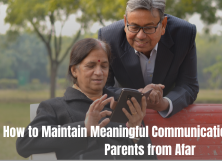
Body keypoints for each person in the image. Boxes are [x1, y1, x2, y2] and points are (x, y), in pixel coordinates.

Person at [16, 38, 156, 160]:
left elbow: (150, 158)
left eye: (104, 66)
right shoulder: (55, 107)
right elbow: (24, 143)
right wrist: (84, 129)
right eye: (91, 66)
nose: (99, 72)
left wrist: (136, 130)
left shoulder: (123, 104)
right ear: (74, 70)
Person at [98, 0, 199, 118]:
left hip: (169, 121)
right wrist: (136, 95)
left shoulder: (184, 34)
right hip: (124, 118)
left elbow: (188, 85)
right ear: (125, 23)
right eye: (134, 27)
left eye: (149, 27)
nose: (140, 36)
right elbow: (102, 86)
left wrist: (164, 104)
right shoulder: (109, 37)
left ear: (163, 25)